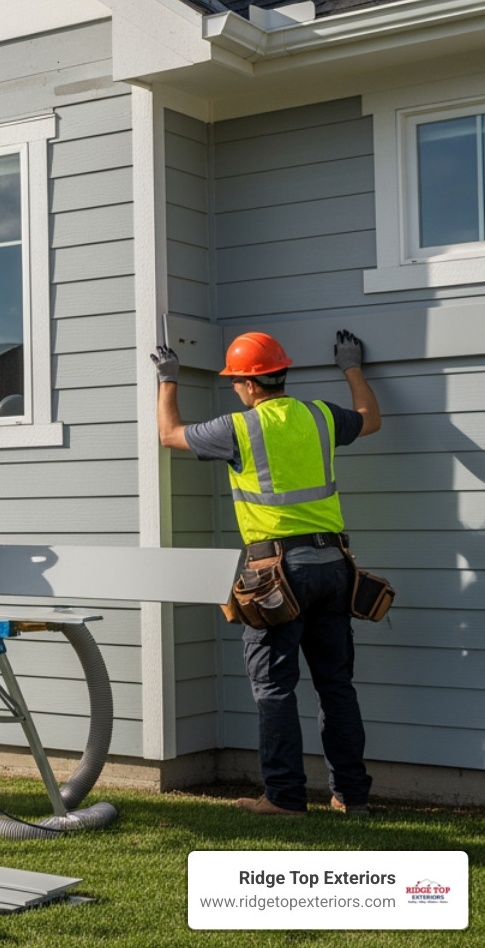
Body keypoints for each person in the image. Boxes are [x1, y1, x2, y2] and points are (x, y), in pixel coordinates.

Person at [152, 330, 381, 817]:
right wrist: (351, 366)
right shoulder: (320, 416)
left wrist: (168, 378)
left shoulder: (238, 428)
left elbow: (169, 434)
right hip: (335, 567)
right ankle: (351, 796)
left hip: (279, 576)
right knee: (336, 685)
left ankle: (284, 798)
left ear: (252, 384)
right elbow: (370, 418)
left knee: (274, 689)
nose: (235, 387)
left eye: (235, 381)